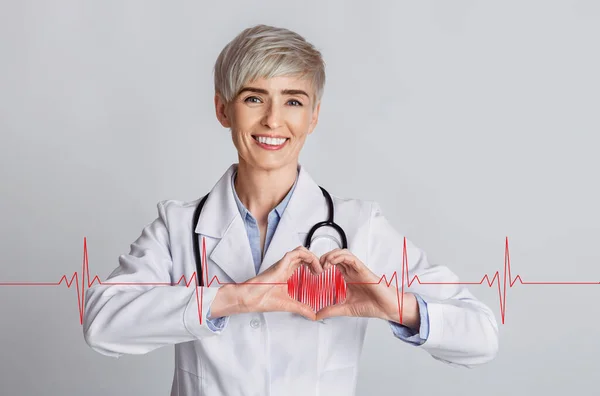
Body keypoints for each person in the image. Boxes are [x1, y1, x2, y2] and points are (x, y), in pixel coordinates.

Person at [83, 24, 499, 395]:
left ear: (314, 116)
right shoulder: (178, 227)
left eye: (293, 102)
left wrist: (394, 307)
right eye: (254, 98)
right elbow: (102, 325)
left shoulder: (358, 227)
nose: (272, 120)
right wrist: (236, 298)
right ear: (223, 109)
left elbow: (481, 337)